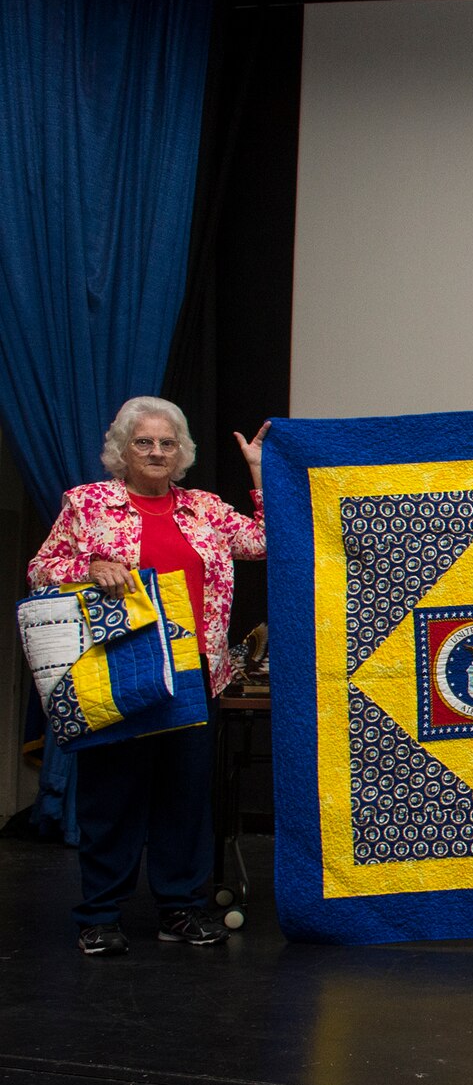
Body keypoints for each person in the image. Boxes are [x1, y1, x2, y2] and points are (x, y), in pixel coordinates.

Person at [28, 396, 269, 955]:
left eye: (167, 443)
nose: (157, 451)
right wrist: (89, 567)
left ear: (181, 452)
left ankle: (179, 910)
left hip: (194, 674)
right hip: (119, 673)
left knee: (185, 801)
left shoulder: (204, 509)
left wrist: (257, 471)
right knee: (111, 799)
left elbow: (263, 542)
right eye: (144, 442)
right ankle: (100, 915)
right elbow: (42, 568)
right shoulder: (88, 504)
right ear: (122, 449)